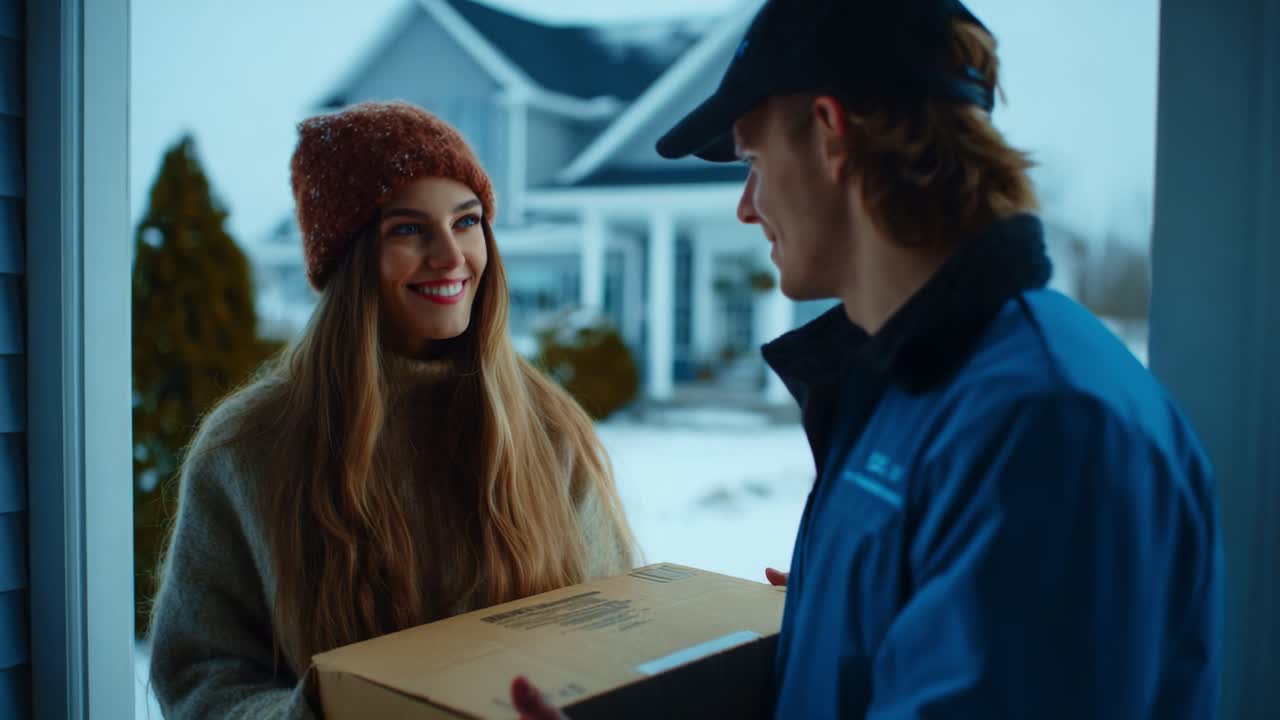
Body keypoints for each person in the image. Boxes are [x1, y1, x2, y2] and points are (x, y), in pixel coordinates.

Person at [512, 0, 1222, 717]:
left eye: (754, 161)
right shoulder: (909, 384)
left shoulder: (1049, 426)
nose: (746, 207)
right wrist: (846, 610)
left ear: (829, 134)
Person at [148, 100, 637, 719]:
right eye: (408, 229)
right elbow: (200, 677)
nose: (451, 256)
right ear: (348, 260)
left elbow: (618, 633)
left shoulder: (547, 427)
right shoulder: (250, 446)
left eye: (467, 221)